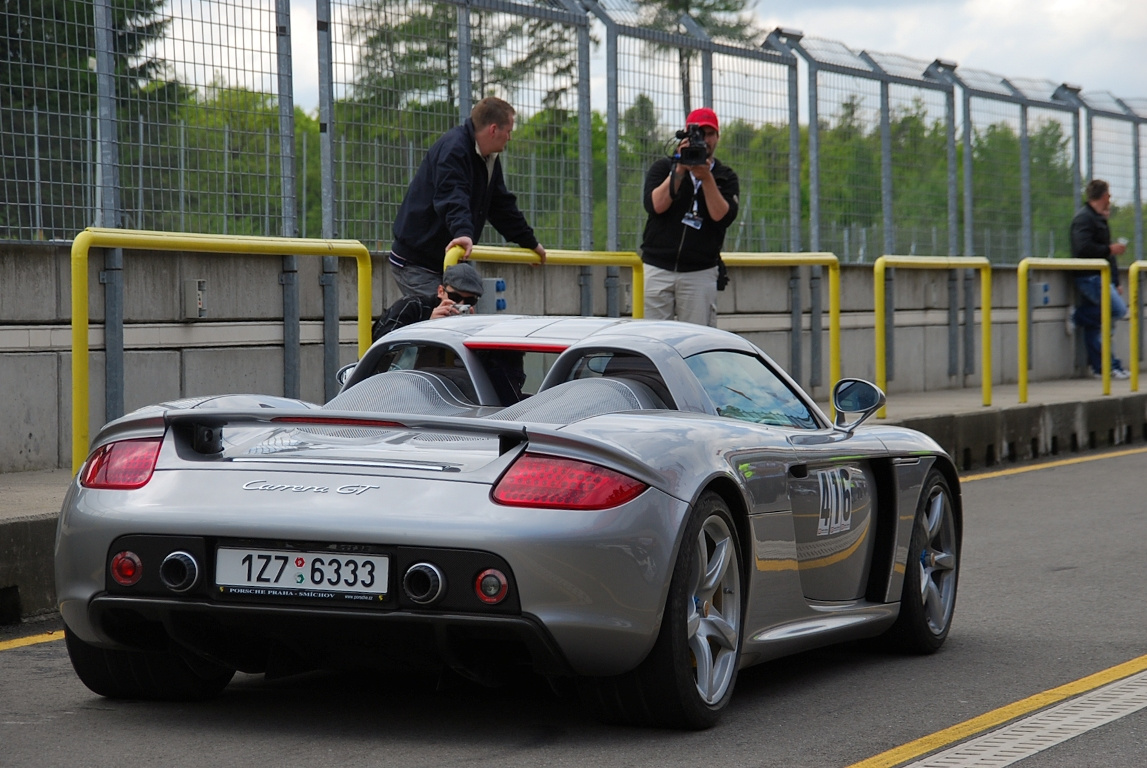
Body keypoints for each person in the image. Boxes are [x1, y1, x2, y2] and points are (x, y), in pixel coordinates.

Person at [388, 97, 546, 297]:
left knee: (460, 317)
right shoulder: (454, 149)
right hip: (417, 263)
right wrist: (462, 232)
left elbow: (501, 207)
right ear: (493, 129)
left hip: (447, 262)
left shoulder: (489, 158)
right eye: (509, 131)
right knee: (446, 318)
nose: (510, 138)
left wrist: (529, 242)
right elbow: (452, 194)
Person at [639, 107, 739, 327]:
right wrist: (679, 169)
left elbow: (722, 217)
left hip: (699, 272)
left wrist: (707, 178)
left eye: (710, 134)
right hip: (658, 266)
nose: (704, 140)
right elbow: (655, 205)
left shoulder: (725, 177)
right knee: (652, 339)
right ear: (685, 135)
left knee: (697, 342)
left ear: (718, 137)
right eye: (698, 134)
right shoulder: (663, 167)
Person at [1070, 179, 1130, 379]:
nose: (1110, 199)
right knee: (1117, 309)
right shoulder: (1084, 219)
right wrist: (1109, 249)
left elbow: (1108, 257)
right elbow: (1082, 248)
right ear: (1103, 196)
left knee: (1095, 326)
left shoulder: (1098, 219)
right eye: (1109, 195)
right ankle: (1077, 316)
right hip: (1090, 277)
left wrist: (1116, 281)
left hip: (1101, 276)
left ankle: (1101, 367)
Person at [371, 262, 484, 342]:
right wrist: (428, 326)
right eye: (454, 297)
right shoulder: (412, 306)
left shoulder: (472, 323)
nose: (461, 304)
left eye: (470, 300)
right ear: (440, 291)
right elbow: (384, 343)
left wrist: (470, 331)